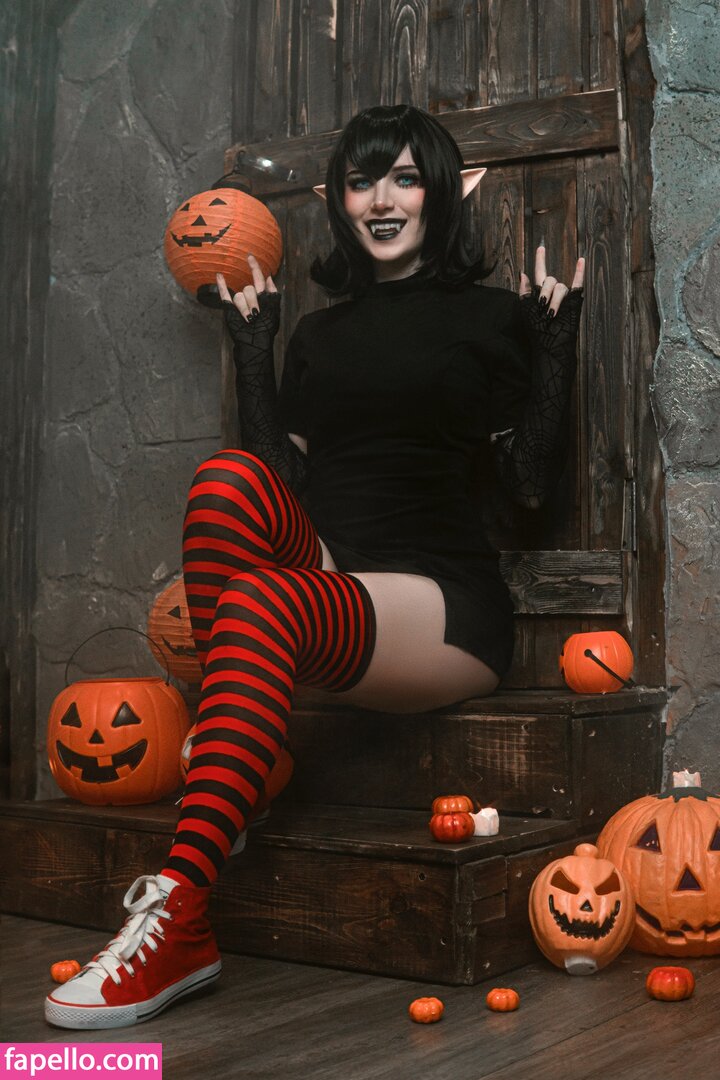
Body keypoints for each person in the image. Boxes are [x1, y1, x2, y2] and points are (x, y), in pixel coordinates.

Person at [45, 104, 584, 1029]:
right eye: (362, 182)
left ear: (438, 192)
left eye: (404, 178)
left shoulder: (492, 318)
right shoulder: (318, 336)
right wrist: (253, 351)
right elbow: (281, 484)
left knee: (265, 601)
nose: (382, 200)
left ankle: (179, 911)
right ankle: (249, 767)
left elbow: (529, 491)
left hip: (438, 605)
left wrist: (554, 347)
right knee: (225, 482)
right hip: (329, 575)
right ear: (340, 201)